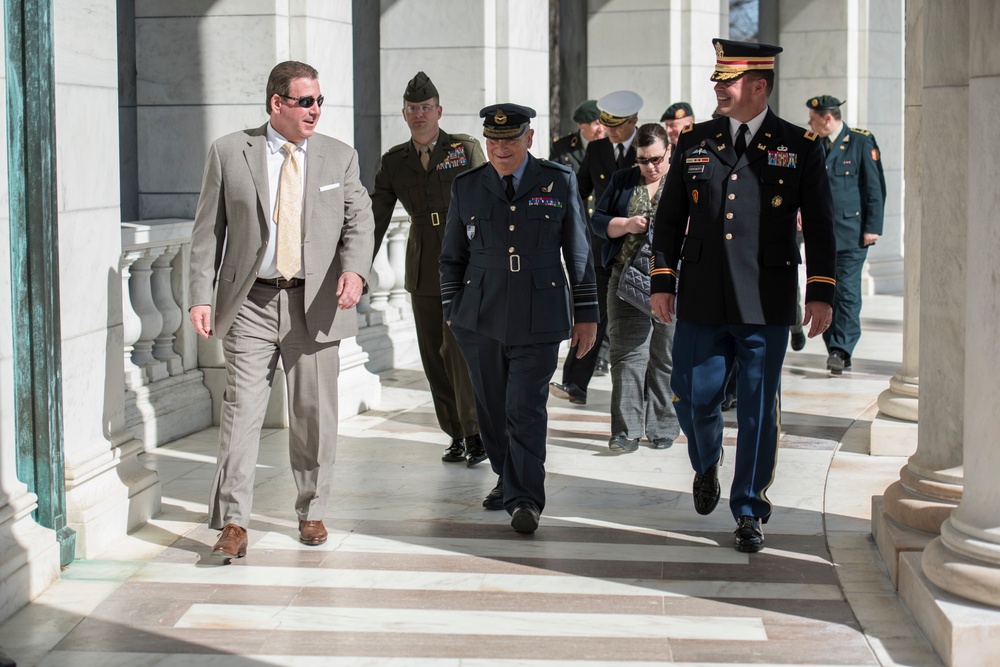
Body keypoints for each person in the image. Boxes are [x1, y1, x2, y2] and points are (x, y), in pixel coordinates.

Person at [650, 39, 837, 553]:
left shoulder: (798, 145)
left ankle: (750, 508)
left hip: (767, 299)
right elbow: (668, 221)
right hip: (703, 296)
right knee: (693, 397)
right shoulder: (695, 139)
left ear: (758, 85)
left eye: (726, 82)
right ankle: (706, 461)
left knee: (757, 408)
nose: (717, 88)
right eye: (715, 80)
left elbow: (821, 227)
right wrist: (663, 280)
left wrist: (820, 293)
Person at [188, 61, 375, 560]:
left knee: (313, 415)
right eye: (305, 101)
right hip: (249, 301)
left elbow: (360, 219)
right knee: (242, 411)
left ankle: (311, 510)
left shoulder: (340, 156)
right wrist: (200, 295)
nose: (316, 109)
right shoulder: (230, 152)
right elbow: (208, 231)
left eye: (319, 100)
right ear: (277, 104)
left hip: (314, 303)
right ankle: (233, 521)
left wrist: (355, 270)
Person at [440, 103, 599, 534]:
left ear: (530, 138)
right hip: (479, 315)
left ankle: (526, 498)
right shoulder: (467, 185)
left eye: (510, 139)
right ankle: (507, 477)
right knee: (491, 410)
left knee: (524, 406)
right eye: (493, 140)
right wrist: (452, 311)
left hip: (540, 313)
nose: (500, 148)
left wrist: (586, 316)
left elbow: (579, 254)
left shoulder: (558, 180)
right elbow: (451, 257)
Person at [370, 72, 488, 466]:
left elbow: (487, 202)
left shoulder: (464, 148)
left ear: (439, 111)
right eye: (412, 109)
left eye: (426, 108)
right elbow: (375, 219)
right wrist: (353, 267)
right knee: (432, 354)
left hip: (463, 260)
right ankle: (454, 433)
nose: (419, 115)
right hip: (422, 265)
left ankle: (475, 433)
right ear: (404, 115)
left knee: (457, 348)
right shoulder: (394, 162)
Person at [549, 90, 641, 405]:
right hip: (601, 248)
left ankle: (655, 391)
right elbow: (580, 189)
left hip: (640, 251)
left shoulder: (649, 148)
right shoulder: (598, 149)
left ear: (634, 121)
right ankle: (575, 382)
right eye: (607, 124)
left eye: (618, 125)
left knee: (644, 323)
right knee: (592, 315)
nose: (611, 131)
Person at [591, 123, 679, 452]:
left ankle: (663, 427)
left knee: (664, 357)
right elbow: (598, 221)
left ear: (669, 151)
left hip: (671, 282)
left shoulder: (682, 181)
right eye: (643, 160)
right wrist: (627, 224)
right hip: (626, 281)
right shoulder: (623, 180)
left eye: (656, 158)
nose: (650, 166)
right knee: (627, 356)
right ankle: (625, 433)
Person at [806, 95, 886, 374]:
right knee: (826, 290)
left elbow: (874, 188)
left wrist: (872, 228)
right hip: (821, 235)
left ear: (828, 118)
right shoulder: (813, 143)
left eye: (813, 119)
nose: (809, 123)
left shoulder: (861, 141)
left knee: (848, 293)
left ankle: (842, 348)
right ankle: (834, 347)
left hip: (852, 234)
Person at [549, 99, 605, 171]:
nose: (601, 129)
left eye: (604, 123)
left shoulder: (613, 145)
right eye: (596, 124)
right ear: (580, 124)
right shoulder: (561, 147)